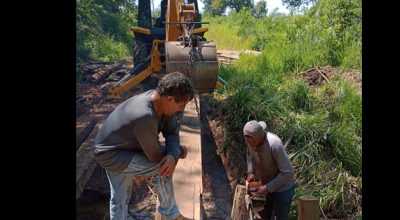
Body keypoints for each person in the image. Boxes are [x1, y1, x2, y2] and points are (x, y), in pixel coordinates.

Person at [92, 72, 194, 220]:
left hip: (118, 147)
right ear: (170, 99)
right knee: (163, 167)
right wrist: (178, 152)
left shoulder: (161, 101)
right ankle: (172, 215)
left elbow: (172, 132)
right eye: (181, 105)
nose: (180, 110)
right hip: (109, 154)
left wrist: (172, 154)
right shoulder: (145, 116)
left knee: (119, 197)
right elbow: (154, 156)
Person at [244, 120, 295, 220]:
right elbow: (249, 153)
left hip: (282, 188)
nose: (251, 144)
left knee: (280, 217)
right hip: (264, 185)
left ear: (262, 135)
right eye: (249, 142)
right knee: (262, 216)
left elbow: (288, 172)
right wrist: (250, 171)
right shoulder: (249, 138)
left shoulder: (274, 144)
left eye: (254, 142)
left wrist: (268, 188)